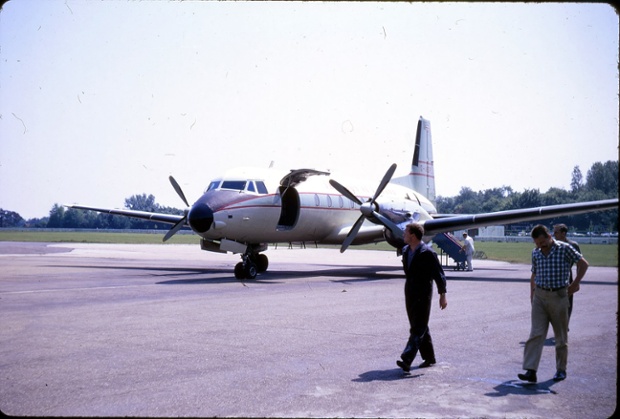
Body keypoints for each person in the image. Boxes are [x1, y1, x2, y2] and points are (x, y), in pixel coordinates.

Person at [518, 224, 588, 383]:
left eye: (542, 242)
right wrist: (532, 294)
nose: (540, 246)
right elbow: (534, 275)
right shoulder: (535, 253)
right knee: (536, 333)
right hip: (540, 296)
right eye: (536, 243)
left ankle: (561, 370)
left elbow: (583, 264)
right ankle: (530, 370)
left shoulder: (564, 248)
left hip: (559, 295)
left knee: (560, 336)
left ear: (549, 236)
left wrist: (575, 283)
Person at [397, 223, 448, 372]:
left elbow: (439, 275)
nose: (403, 235)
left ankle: (407, 358)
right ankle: (429, 357)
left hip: (423, 293)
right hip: (410, 292)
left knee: (417, 327)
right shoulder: (406, 251)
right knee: (419, 325)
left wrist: (442, 295)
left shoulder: (427, 253)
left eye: (406, 233)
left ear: (413, 235)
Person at [552, 223, 581, 326]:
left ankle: (565, 324)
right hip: (553, 277)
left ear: (563, 233)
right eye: (553, 232)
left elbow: (580, 264)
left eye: (556, 232)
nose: (553, 234)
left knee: (567, 302)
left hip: (567, 276)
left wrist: (576, 282)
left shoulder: (573, 245)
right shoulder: (552, 245)